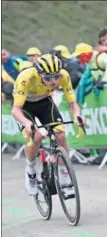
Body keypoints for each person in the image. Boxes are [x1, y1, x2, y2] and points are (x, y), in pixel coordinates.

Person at [11, 54, 84, 197]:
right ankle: (31, 170)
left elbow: (72, 104)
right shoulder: (26, 78)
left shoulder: (64, 75)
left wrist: (77, 115)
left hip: (44, 102)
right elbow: (15, 110)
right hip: (25, 106)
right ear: (39, 74)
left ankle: (64, 178)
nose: (54, 81)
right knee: (36, 136)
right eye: (48, 78)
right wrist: (26, 123)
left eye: (56, 76)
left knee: (60, 134)